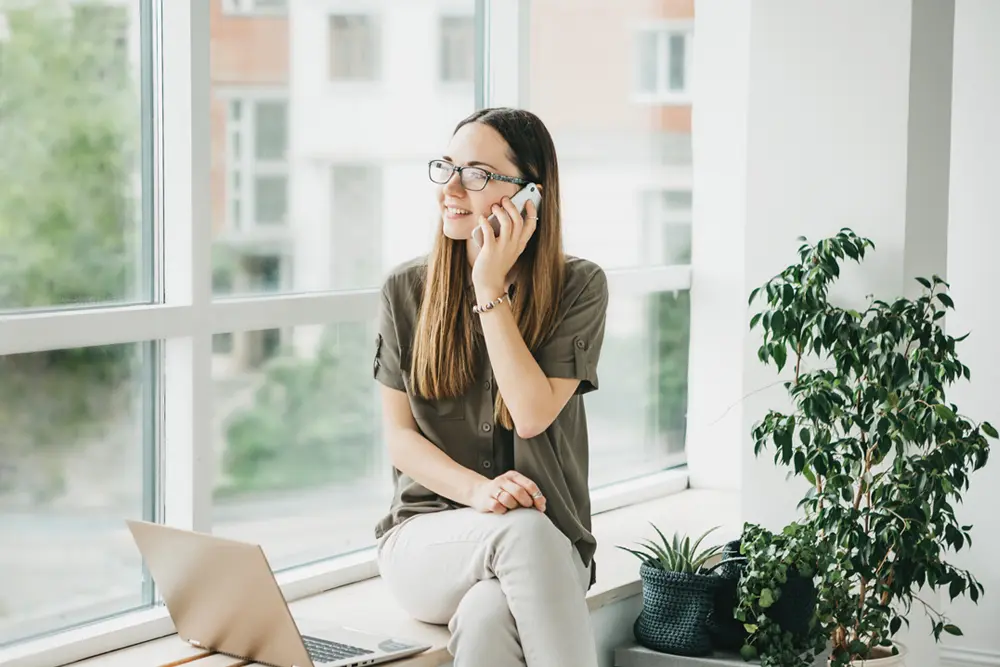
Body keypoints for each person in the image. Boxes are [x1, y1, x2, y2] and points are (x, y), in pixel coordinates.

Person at [372, 107, 609, 667]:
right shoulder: (405, 289)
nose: (451, 188)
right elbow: (400, 440)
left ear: (530, 195)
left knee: (485, 618)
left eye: (476, 174)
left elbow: (529, 414)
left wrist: (487, 285)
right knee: (521, 533)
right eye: (447, 167)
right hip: (427, 544)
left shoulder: (580, 287)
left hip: (550, 549)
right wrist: (477, 493)